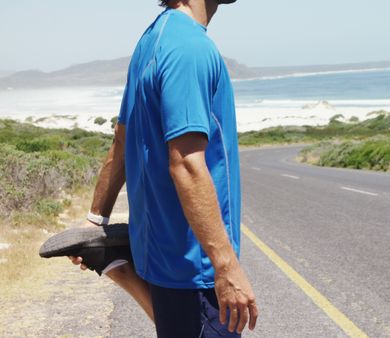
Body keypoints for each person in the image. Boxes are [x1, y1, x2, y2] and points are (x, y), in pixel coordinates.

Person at [69, 0, 258, 336]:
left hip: (166, 261)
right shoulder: (189, 48)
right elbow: (186, 164)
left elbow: (122, 139)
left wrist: (96, 219)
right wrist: (226, 267)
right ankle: (119, 268)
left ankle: (118, 267)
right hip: (193, 268)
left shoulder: (153, 39)